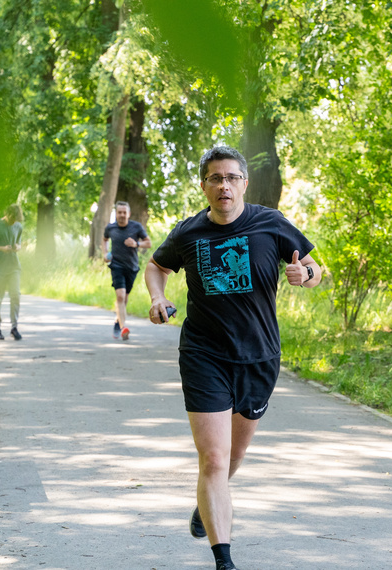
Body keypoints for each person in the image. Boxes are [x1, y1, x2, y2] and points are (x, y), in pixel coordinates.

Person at [145, 145, 321, 570]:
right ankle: (224, 559)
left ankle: (208, 499)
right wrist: (157, 297)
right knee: (214, 458)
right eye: (215, 178)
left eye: (231, 177)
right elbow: (156, 267)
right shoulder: (188, 233)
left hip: (259, 356)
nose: (223, 185)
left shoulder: (270, 224)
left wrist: (305, 275)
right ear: (204, 185)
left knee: (234, 457)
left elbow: (315, 269)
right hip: (204, 354)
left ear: (244, 182)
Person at [102, 201, 151, 341]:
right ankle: (124, 328)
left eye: (124, 212)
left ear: (128, 214)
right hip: (116, 265)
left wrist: (136, 244)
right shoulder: (110, 228)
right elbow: (104, 239)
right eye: (119, 212)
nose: (122, 215)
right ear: (116, 213)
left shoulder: (136, 227)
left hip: (132, 267)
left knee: (125, 298)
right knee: (120, 296)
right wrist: (105, 254)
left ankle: (118, 322)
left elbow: (149, 243)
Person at [0, 203, 25, 341]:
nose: (14, 222)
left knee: (16, 295)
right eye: (13, 218)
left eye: (17, 219)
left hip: (13, 266)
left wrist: (16, 247)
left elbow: (19, 244)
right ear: (7, 214)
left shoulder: (18, 226)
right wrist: (2, 248)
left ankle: (14, 327)